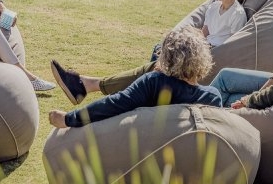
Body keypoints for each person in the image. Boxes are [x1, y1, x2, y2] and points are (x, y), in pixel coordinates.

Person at [50, 0, 247, 105]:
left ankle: (89, 85)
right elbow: (204, 33)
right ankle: (105, 88)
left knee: (157, 66)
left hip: (210, 58)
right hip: (200, 49)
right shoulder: (213, 8)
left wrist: (196, 52)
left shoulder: (238, 15)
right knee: (159, 51)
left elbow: (233, 47)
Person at [48, 26, 221, 128]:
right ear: (203, 59)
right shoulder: (213, 96)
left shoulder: (155, 82)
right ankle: (86, 84)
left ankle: (85, 85)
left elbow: (114, 104)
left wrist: (67, 119)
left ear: (167, 56)